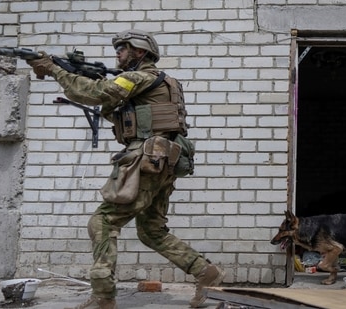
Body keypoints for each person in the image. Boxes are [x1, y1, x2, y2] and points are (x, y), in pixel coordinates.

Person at [26, 29, 225, 309]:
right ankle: (206, 272)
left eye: (123, 48)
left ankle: (103, 296)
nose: (117, 52)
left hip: (146, 161)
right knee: (152, 231)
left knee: (103, 222)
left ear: (140, 52)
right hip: (162, 161)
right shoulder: (161, 82)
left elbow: (96, 93)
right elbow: (116, 109)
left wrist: (55, 70)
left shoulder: (139, 77)